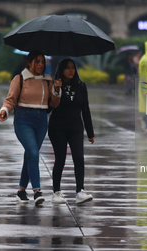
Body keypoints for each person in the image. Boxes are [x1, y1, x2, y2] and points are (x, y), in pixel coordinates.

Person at [0, 51, 62, 205]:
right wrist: (4, 111)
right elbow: (10, 100)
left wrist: (57, 90)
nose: (40, 65)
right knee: (32, 152)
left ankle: (21, 191)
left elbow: (54, 104)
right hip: (23, 120)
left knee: (30, 155)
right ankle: (37, 191)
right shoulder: (20, 78)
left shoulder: (47, 80)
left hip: (41, 122)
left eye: (42, 62)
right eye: (37, 61)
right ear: (29, 62)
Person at [48, 58, 95, 205]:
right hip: (58, 128)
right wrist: (56, 90)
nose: (71, 70)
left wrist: (90, 132)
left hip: (76, 128)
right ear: (61, 70)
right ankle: (56, 192)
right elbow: (50, 108)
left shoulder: (81, 86)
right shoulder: (55, 85)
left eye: (73, 67)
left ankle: (80, 191)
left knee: (79, 159)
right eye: (67, 68)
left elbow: (85, 109)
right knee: (60, 159)